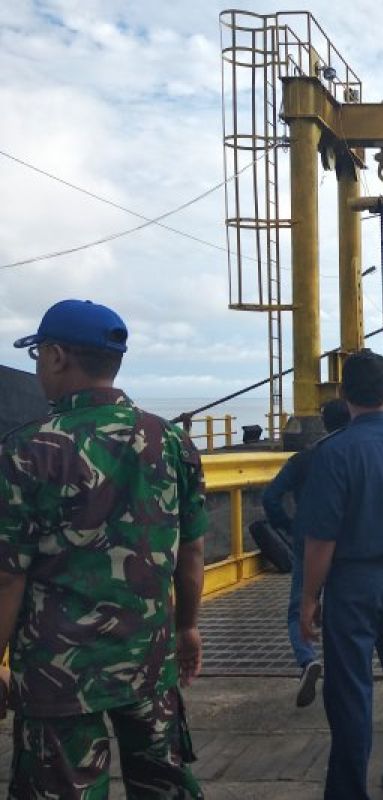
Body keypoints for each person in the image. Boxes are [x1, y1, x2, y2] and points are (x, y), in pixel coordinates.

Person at [0, 299, 205, 797]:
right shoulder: (171, 440)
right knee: (163, 785)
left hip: (58, 674)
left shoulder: (28, 449)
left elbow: (9, 574)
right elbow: (192, 552)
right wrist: (188, 627)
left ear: (55, 356)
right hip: (150, 658)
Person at [297, 350, 383, 799]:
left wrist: (308, 600)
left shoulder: (333, 452)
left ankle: (346, 791)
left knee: (351, 690)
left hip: (354, 583)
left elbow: (322, 540)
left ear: (343, 393)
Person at [261, 398, 351, 707]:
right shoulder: (352, 453)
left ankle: (306, 658)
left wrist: (286, 525)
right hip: (346, 541)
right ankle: (345, 669)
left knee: (299, 606)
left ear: (324, 422)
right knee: (341, 604)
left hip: (306, 538)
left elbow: (271, 496)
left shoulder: (304, 459)